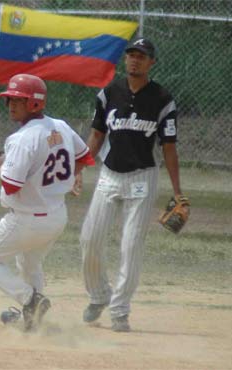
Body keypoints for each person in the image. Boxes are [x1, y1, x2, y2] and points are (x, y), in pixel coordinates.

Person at [0, 74, 95, 331]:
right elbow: (84, 156)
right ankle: (34, 320)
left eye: (19, 100)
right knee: (29, 262)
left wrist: (3, 164)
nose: (11, 105)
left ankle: (30, 300)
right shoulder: (60, 126)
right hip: (56, 217)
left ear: (35, 103)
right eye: (9, 100)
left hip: (26, 220)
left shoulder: (22, 138)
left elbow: (11, 185)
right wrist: (72, 176)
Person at [78, 38, 184, 332]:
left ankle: (120, 310)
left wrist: (177, 191)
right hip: (109, 175)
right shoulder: (109, 93)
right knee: (89, 239)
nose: (135, 60)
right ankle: (99, 295)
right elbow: (97, 135)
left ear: (152, 63)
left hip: (142, 177)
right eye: (131, 55)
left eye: (142, 56)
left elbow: (169, 148)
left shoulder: (162, 99)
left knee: (131, 245)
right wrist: (79, 168)